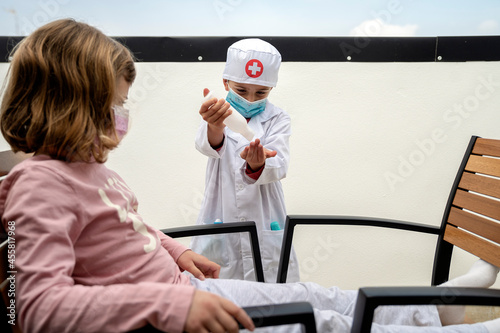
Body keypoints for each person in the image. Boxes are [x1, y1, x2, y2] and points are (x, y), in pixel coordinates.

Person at [1, 19, 500, 333]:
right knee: (317, 321)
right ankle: (448, 329)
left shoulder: (84, 173)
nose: (121, 118)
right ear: (69, 107)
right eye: (114, 105)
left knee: (314, 296)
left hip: (185, 283)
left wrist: (175, 249)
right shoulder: (39, 186)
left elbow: (126, 226)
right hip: (172, 305)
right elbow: (31, 309)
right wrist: (217, 130)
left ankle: (437, 311)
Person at [191, 38, 300, 283]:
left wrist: (257, 164)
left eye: (261, 92)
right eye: (241, 90)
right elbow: (206, 146)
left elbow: (279, 164)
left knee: (271, 286)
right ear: (225, 82)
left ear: (271, 88)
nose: (251, 99)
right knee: (219, 287)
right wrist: (215, 126)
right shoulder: (216, 111)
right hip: (221, 208)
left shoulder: (278, 118)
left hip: (265, 213)